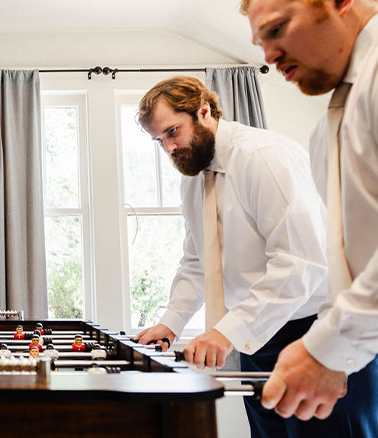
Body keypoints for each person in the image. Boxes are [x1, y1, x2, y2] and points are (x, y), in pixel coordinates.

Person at [135, 76, 335, 437]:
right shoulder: (193, 179)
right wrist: (171, 323)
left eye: (172, 131)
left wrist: (227, 333)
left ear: (204, 111)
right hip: (257, 337)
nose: (168, 147)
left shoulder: (264, 157)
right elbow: (198, 260)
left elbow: (301, 261)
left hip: (318, 332)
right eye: (158, 140)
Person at [242, 0, 378, 427]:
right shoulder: (328, 128)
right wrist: (330, 349)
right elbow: (346, 258)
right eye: (260, 45)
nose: (271, 55)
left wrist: (328, 347)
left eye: (277, 30)